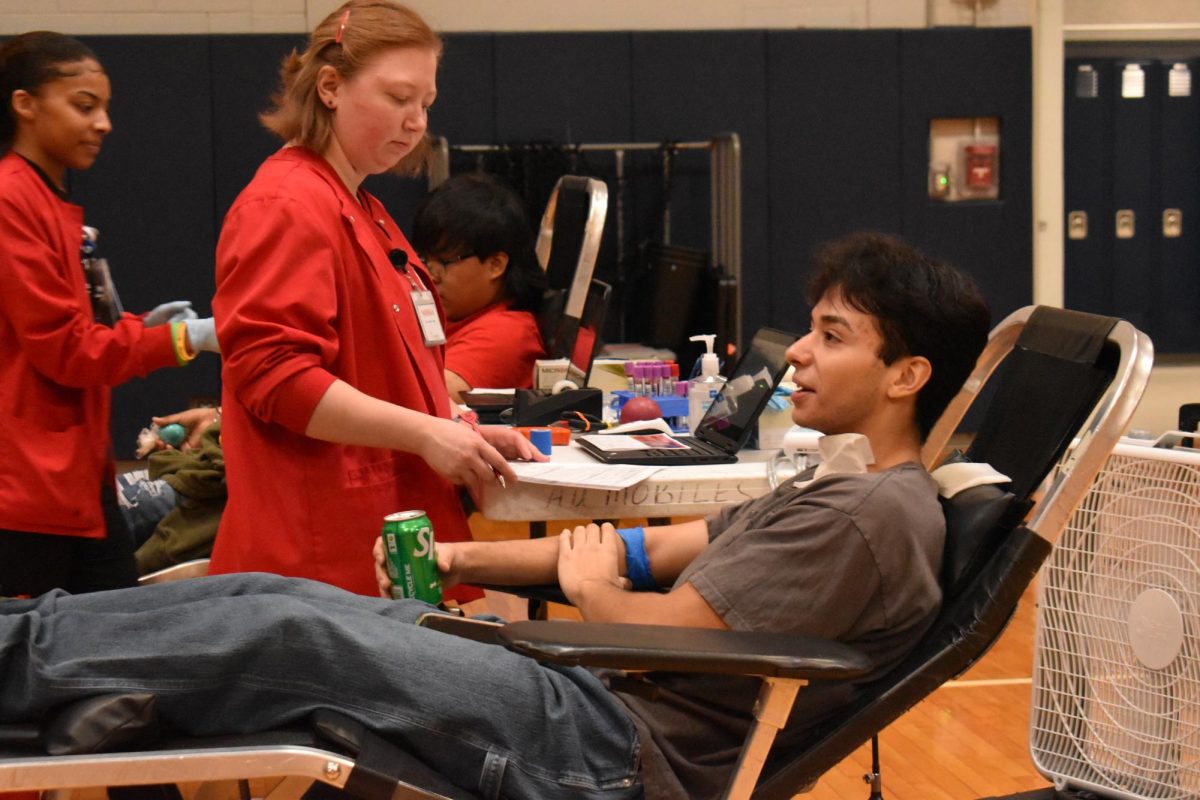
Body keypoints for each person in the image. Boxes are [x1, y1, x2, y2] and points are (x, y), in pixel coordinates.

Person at [0, 231, 990, 799]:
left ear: (907, 373)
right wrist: (463, 552)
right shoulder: (836, 482)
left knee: (291, 631)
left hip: (612, 746)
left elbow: (669, 625)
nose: (801, 354)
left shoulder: (870, 515)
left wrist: (593, 589)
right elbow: (657, 548)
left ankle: (31, 663)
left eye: (832, 335)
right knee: (279, 593)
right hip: (592, 700)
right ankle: (59, 663)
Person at [206, 0, 540, 600]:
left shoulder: (362, 206)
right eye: (398, 98)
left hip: (376, 540)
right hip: (315, 556)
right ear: (330, 87)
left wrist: (457, 425)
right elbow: (275, 376)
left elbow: (391, 369)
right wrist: (425, 435)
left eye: (425, 104)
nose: (416, 122)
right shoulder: (287, 203)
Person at [0, 31, 220, 598]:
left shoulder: (47, 200)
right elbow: (67, 350)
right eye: (83, 106)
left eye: (104, 107)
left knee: (116, 638)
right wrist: (180, 340)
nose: (103, 124)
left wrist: (138, 329)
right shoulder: (10, 200)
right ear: (24, 104)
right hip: (25, 487)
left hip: (71, 476)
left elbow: (76, 331)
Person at [411, 172, 548, 402]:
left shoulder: (506, 333)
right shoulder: (456, 316)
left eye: (444, 262)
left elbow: (423, 399)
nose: (429, 276)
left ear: (495, 265)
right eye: (424, 260)